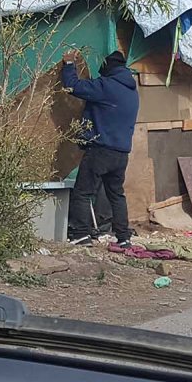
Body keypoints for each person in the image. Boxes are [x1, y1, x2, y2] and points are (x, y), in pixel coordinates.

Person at [61, 49, 139, 247]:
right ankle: (123, 238)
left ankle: (81, 234)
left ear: (108, 67)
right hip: (122, 153)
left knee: (83, 192)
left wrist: (69, 64)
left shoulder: (106, 86)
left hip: (101, 149)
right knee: (116, 195)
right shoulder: (132, 91)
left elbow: (73, 86)